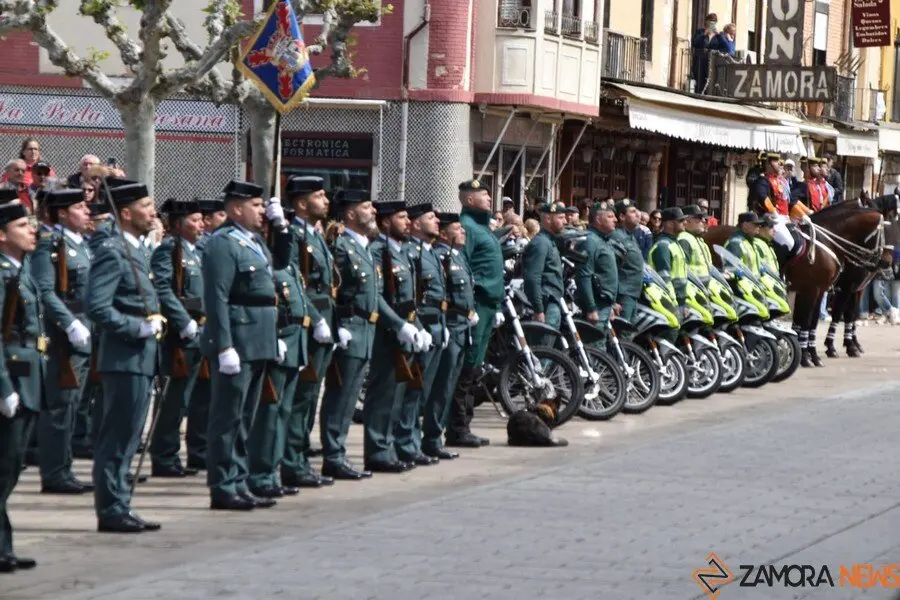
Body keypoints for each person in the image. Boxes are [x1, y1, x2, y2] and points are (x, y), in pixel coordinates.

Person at [201, 180, 290, 511]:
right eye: (256, 205)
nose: (262, 211)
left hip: (258, 339)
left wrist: (281, 227)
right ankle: (223, 486)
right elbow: (217, 298)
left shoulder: (252, 240)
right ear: (236, 209)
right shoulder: (223, 244)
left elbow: (280, 264)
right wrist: (224, 345)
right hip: (237, 339)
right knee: (227, 418)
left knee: (244, 418)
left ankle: (238, 480)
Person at [85, 179, 163, 533]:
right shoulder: (113, 250)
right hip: (124, 357)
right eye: (146, 206)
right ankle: (111, 509)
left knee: (131, 436)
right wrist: (136, 327)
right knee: (116, 437)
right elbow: (97, 307)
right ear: (127, 213)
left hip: (141, 357)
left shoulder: (138, 249)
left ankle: (121, 503)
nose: (153, 212)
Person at [246, 213, 323, 499]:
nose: (287, 238)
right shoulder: (264, 264)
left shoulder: (285, 266)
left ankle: (273, 470)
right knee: (268, 412)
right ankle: (260, 473)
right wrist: (274, 337)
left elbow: (299, 300)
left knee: (283, 412)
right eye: (280, 231)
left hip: (295, 343)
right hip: (278, 342)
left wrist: (318, 322)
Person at [31, 188, 94, 495]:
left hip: (85, 334)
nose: (87, 212)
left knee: (72, 406)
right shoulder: (50, 247)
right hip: (64, 337)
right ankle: (54, 472)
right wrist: (68, 323)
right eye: (80, 208)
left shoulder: (83, 245)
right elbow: (45, 290)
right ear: (63, 213)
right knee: (60, 406)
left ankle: (64, 468)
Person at [279, 176, 337, 488]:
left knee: (311, 395)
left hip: (322, 325)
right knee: (300, 398)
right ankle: (291, 461)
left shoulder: (315, 235)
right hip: (307, 326)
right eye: (319, 195)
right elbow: (293, 284)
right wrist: (317, 320)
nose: (325, 200)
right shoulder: (293, 236)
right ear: (302, 203)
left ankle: (299, 458)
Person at [363, 201, 428, 473]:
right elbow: (376, 296)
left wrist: (419, 326)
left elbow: (409, 300)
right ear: (385, 222)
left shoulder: (401, 253)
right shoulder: (378, 251)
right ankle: (377, 451)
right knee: (383, 395)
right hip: (387, 334)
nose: (407, 222)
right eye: (401, 217)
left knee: (397, 397)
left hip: (404, 331)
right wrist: (399, 325)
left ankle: (388, 447)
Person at [318, 190, 378, 480]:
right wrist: (336, 323)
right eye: (367, 206)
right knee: (339, 396)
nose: (373, 211)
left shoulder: (364, 247)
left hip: (366, 329)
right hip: (350, 327)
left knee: (352, 394)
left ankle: (337, 452)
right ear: (351, 214)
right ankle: (332, 454)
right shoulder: (341, 248)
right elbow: (333, 291)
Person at [148, 199, 206, 479]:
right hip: (179, 336)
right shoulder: (169, 250)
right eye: (195, 220)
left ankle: (178, 454)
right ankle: (164, 455)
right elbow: (163, 287)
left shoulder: (197, 251)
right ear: (179, 225)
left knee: (189, 398)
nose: (201, 225)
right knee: (174, 399)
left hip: (199, 333)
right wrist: (182, 320)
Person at [0, 201, 43, 572]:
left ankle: (3, 546)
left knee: (12, 466)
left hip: (28, 374)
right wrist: (2, 387)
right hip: (11, 376)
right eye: (22, 226)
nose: (32, 230)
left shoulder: (21, 271)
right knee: (5, 465)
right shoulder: (1, 273)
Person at [454, 179, 503, 448]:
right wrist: (471, 306)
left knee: (475, 367)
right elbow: (464, 266)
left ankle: (464, 425)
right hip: (477, 305)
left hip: (489, 305)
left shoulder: (482, 226)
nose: (488, 198)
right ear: (469, 199)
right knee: (468, 365)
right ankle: (458, 427)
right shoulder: (468, 227)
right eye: (483, 194)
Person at [422, 212, 474, 460]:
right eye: (457, 228)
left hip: (463, 325)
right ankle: (430, 438)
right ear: (443, 233)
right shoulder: (440, 256)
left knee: (449, 385)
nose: (462, 232)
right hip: (451, 324)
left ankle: (435, 437)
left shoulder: (457, 256)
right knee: (440, 385)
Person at [397, 202, 445, 466]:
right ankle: (406, 443)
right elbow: (414, 296)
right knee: (413, 390)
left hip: (436, 324)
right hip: (420, 325)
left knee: (423, 391)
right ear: (416, 224)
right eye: (430, 217)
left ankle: (413, 442)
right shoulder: (413, 253)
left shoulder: (431, 252)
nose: (436, 221)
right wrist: (417, 327)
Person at [575, 201, 619, 349]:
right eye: (610, 216)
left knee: (602, 346)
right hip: (597, 305)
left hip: (604, 304)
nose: (616, 220)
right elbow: (584, 275)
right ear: (599, 219)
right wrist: (591, 308)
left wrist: (611, 302)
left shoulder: (602, 240)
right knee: (596, 349)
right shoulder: (590, 241)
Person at [522, 202, 566, 347]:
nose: (565, 221)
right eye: (560, 217)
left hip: (553, 301)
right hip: (546, 303)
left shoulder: (549, 241)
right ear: (547, 219)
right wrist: (538, 309)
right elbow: (532, 278)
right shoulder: (541, 243)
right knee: (544, 350)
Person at [610, 199, 645, 323]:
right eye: (633, 212)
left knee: (628, 334)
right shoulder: (617, 237)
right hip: (622, 294)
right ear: (622, 216)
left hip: (633, 293)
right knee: (621, 335)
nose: (638, 214)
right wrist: (613, 300)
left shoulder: (630, 236)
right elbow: (612, 269)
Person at [648, 207, 688, 305]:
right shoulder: (663, 246)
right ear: (669, 223)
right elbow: (664, 279)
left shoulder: (674, 243)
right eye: (681, 220)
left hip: (680, 299)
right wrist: (673, 303)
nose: (685, 222)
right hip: (671, 301)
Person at [677, 204, 712, 285]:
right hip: (694, 286)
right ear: (687, 220)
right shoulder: (684, 239)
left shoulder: (697, 239)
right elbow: (683, 270)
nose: (703, 221)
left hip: (703, 286)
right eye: (699, 218)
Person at [692, 13, 719, 93]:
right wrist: (704, 34)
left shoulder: (717, 36)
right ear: (706, 21)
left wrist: (720, 35)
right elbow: (695, 43)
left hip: (711, 63)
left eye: (714, 21)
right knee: (699, 83)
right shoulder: (700, 32)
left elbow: (723, 47)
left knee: (710, 84)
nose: (712, 23)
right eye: (710, 20)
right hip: (700, 61)